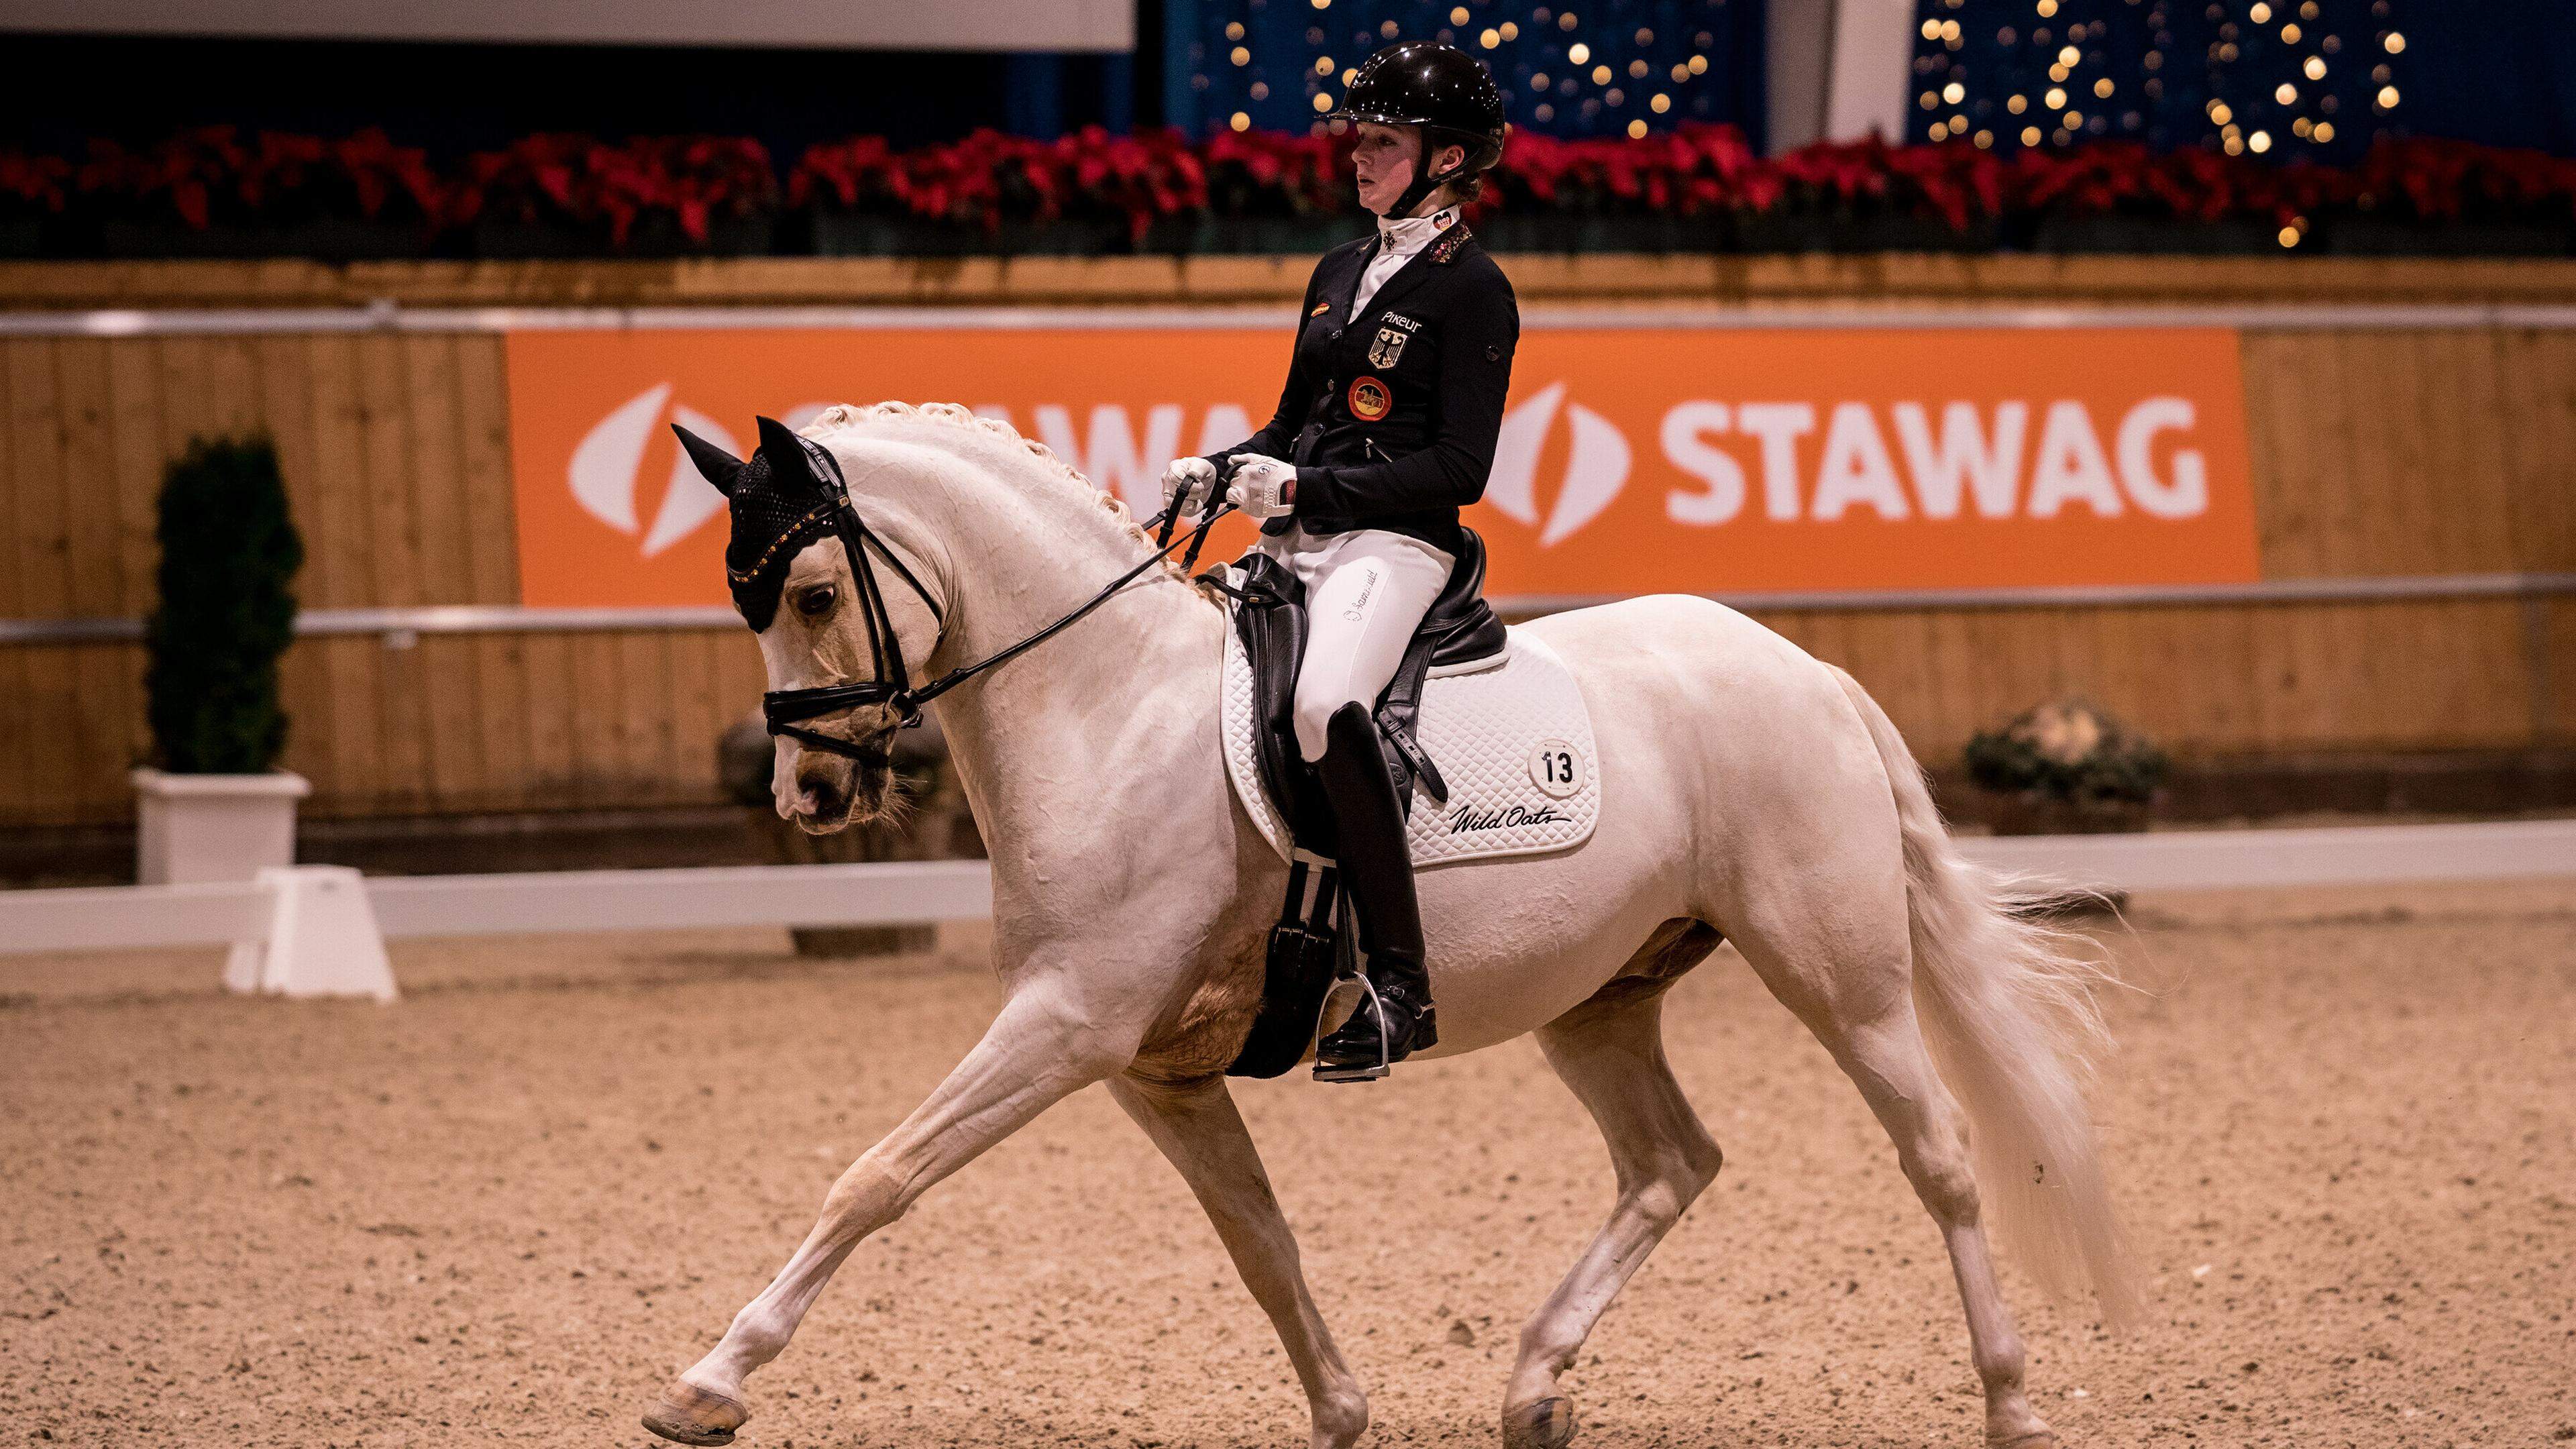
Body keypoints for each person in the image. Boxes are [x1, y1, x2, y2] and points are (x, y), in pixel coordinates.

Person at [1160, 40, 1518, 1081]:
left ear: (1448, 158)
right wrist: (1224, 468)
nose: (1359, 158)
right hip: (1304, 536)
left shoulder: (1474, 291)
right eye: (1359, 140)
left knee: (1324, 707)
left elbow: (1459, 467)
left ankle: (1402, 982)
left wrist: (1310, 491)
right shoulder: (1340, 269)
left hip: (1398, 545)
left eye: (1384, 142)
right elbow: (1292, 420)